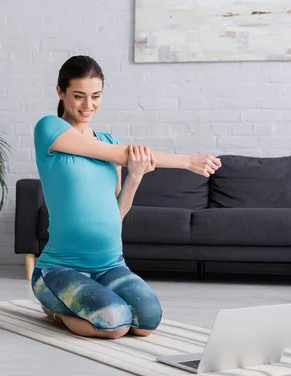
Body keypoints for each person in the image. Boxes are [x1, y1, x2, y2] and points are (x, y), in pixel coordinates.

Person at [31, 55, 222, 339]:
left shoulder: (109, 140)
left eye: (95, 96)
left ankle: (94, 300)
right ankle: (55, 309)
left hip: (110, 265)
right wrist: (186, 161)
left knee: (147, 321)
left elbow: (115, 212)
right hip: (60, 267)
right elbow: (122, 155)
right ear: (61, 92)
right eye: (79, 96)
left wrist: (134, 177)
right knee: (115, 325)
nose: (88, 105)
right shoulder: (50, 129)